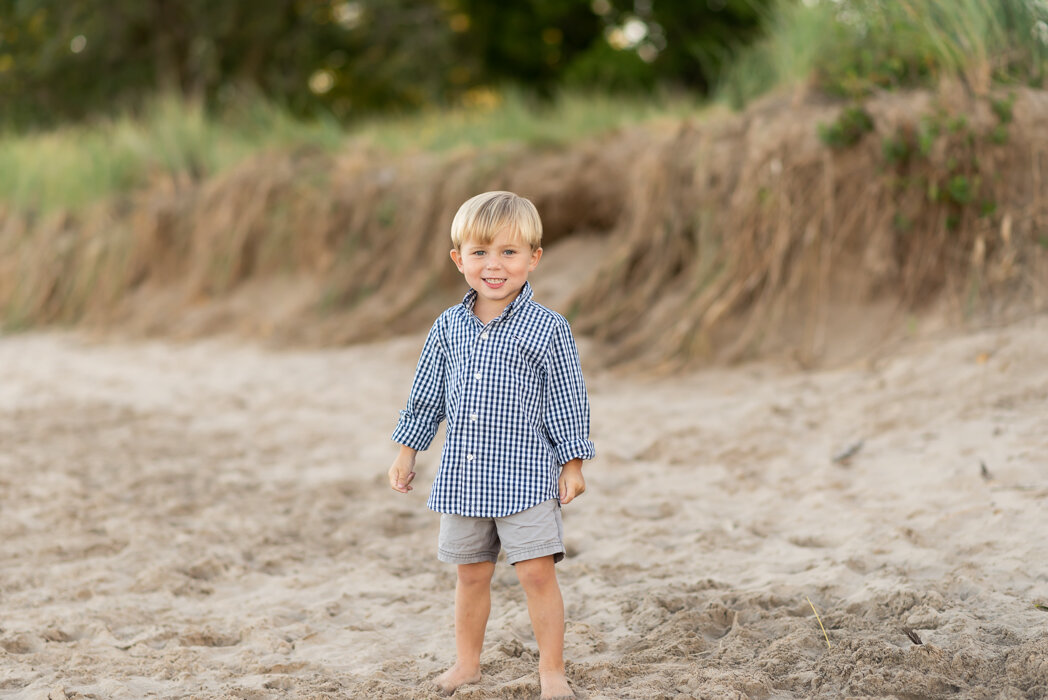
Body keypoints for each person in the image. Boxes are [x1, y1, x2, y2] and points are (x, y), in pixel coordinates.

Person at [388, 191, 595, 699]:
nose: (494, 266)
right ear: (459, 259)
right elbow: (425, 396)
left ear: (533, 258)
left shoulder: (547, 328)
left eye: (509, 252)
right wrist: (406, 452)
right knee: (471, 575)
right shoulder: (447, 327)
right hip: (463, 474)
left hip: (526, 475)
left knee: (537, 574)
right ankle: (467, 664)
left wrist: (572, 462)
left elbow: (567, 398)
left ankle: (551, 671)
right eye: (480, 253)